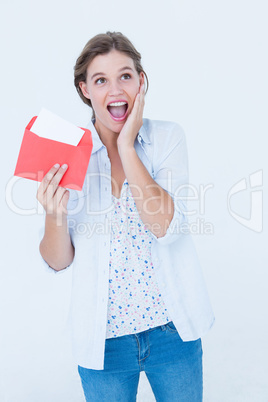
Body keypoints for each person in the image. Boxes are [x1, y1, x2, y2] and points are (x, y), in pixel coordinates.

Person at [37, 31, 215, 402]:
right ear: (85, 89)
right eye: (101, 80)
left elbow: (164, 227)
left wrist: (126, 146)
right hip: (103, 343)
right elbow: (58, 260)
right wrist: (54, 214)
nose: (115, 89)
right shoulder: (69, 153)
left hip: (173, 333)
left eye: (125, 76)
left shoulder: (167, 139)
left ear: (141, 82)